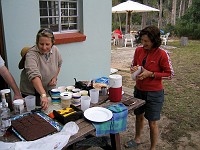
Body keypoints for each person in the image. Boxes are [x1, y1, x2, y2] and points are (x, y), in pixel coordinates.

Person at [126, 25, 174, 150]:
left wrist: (151, 74)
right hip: (139, 90)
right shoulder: (138, 50)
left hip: (154, 93)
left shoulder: (162, 54)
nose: (143, 43)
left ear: (154, 40)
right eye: (142, 40)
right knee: (138, 116)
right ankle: (137, 139)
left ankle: (152, 148)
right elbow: (133, 65)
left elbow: (170, 74)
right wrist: (134, 69)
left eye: (146, 41)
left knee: (152, 122)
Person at [19, 28, 62, 110]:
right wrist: (43, 94)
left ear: (52, 43)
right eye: (41, 44)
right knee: (33, 115)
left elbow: (59, 64)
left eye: (47, 44)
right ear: (37, 42)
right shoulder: (31, 54)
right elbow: (34, 75)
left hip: (48, 89)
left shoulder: (55, 50)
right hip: (31, 94)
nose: (44, 47)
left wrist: (55, 77)